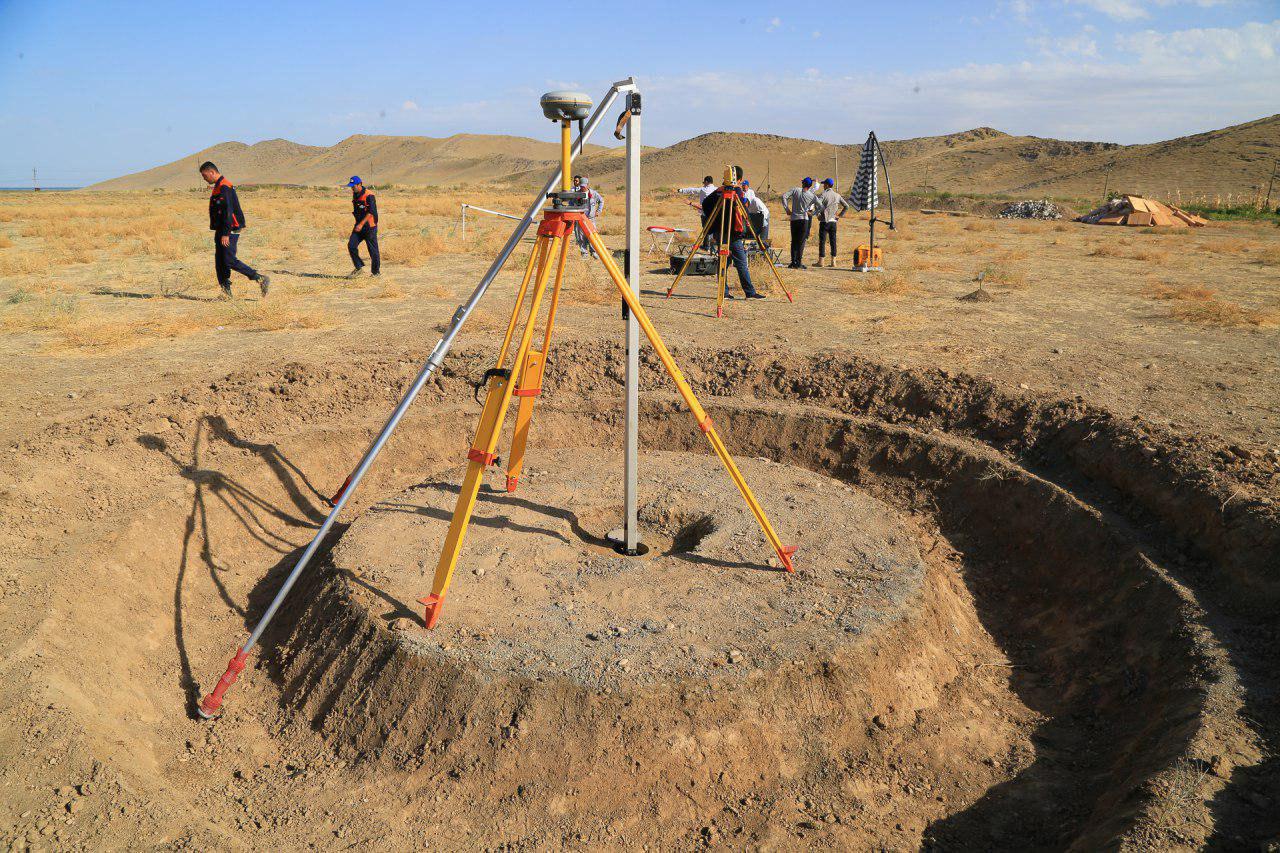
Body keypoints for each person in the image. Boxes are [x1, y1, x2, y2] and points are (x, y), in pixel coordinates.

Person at [200, 161, 269, 299]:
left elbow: (228, 211)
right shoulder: (218, 186)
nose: (204, 179)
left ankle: (259, 278)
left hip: (229, 229)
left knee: (229, 260)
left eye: (204, 175)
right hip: (222, 229)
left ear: (212, 172)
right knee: (220, 261)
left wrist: (226, 233)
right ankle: (226, 292)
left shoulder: (224, 186)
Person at [702, 178, 764, 300]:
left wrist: (714, 220)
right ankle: (749, 292)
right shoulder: (737, 191)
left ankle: (724, 292)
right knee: (741, 263)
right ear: (739, 179)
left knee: (724, 262)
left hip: (721, 232)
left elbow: (705, 203)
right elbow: (743, 208)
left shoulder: (719, 191)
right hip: (733, 234)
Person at [345, 176, 380, 276]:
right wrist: (358, 224)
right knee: (351, 245)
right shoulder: (355, 194)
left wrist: (360, 224)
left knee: (373, 251)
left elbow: (371, 212)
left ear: (359, 184)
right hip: (359, 226)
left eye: (353, 186)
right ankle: (358, 268)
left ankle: (376, 272)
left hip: (370, 227)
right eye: (351, 186)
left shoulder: (369, 195)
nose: (352, 188)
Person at [781, 177, 818, 268]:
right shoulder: (812, 195)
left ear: (803, 184)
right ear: (810, 186)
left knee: (794, 240)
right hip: (804, 219)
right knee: (801, 241)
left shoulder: (795, 190)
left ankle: (793, 262)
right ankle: (799, 262)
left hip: (794, 219)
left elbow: (784, 196)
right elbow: (821, 206)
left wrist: (787, 209)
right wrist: (812, 213)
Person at [813, 178, 848, 267]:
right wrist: (839, 215)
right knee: (833, 241)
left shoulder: (823, 194)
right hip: (833, 222)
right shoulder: (837, 195)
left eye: (824, 184)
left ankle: (821, 262)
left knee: (822, 241)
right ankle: (833, 262)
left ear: (827, 185)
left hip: (824, 221)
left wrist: (817, 215)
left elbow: (817, 204)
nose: (823, 186)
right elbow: (846, 206)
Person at [679, 176, 717, 249]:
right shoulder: (716, 189)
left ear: (706, 182)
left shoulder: (703, 190)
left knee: (705, 229)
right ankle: (713, 245)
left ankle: (706, 246)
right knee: (714, 229)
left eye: (703, 182)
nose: (703, 184)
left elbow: (692, 190)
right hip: (715, 212)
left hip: (705, 213)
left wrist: (681, 190)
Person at [576, 177, 604, 258]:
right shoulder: (576, 194)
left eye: (584, 186)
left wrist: (599, 211)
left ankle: (594, 252)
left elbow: (601, 201)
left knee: (592, 235)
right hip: (580, 218)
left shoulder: (594, 193)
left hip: (591, 218)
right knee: (581, 236)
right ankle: (584, 252)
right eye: (581, 186)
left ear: (588, 185)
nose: (582, 187)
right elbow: (572, 204)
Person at [740, 179, 770, 244]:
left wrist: (763, 222)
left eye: (745, 185)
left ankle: (764, 247)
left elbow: (763, 211)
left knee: (764, 232)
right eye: (743, 185)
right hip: (755, 214)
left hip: (764, 215)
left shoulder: (755, 200)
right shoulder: (743, 196)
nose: (744, 187)